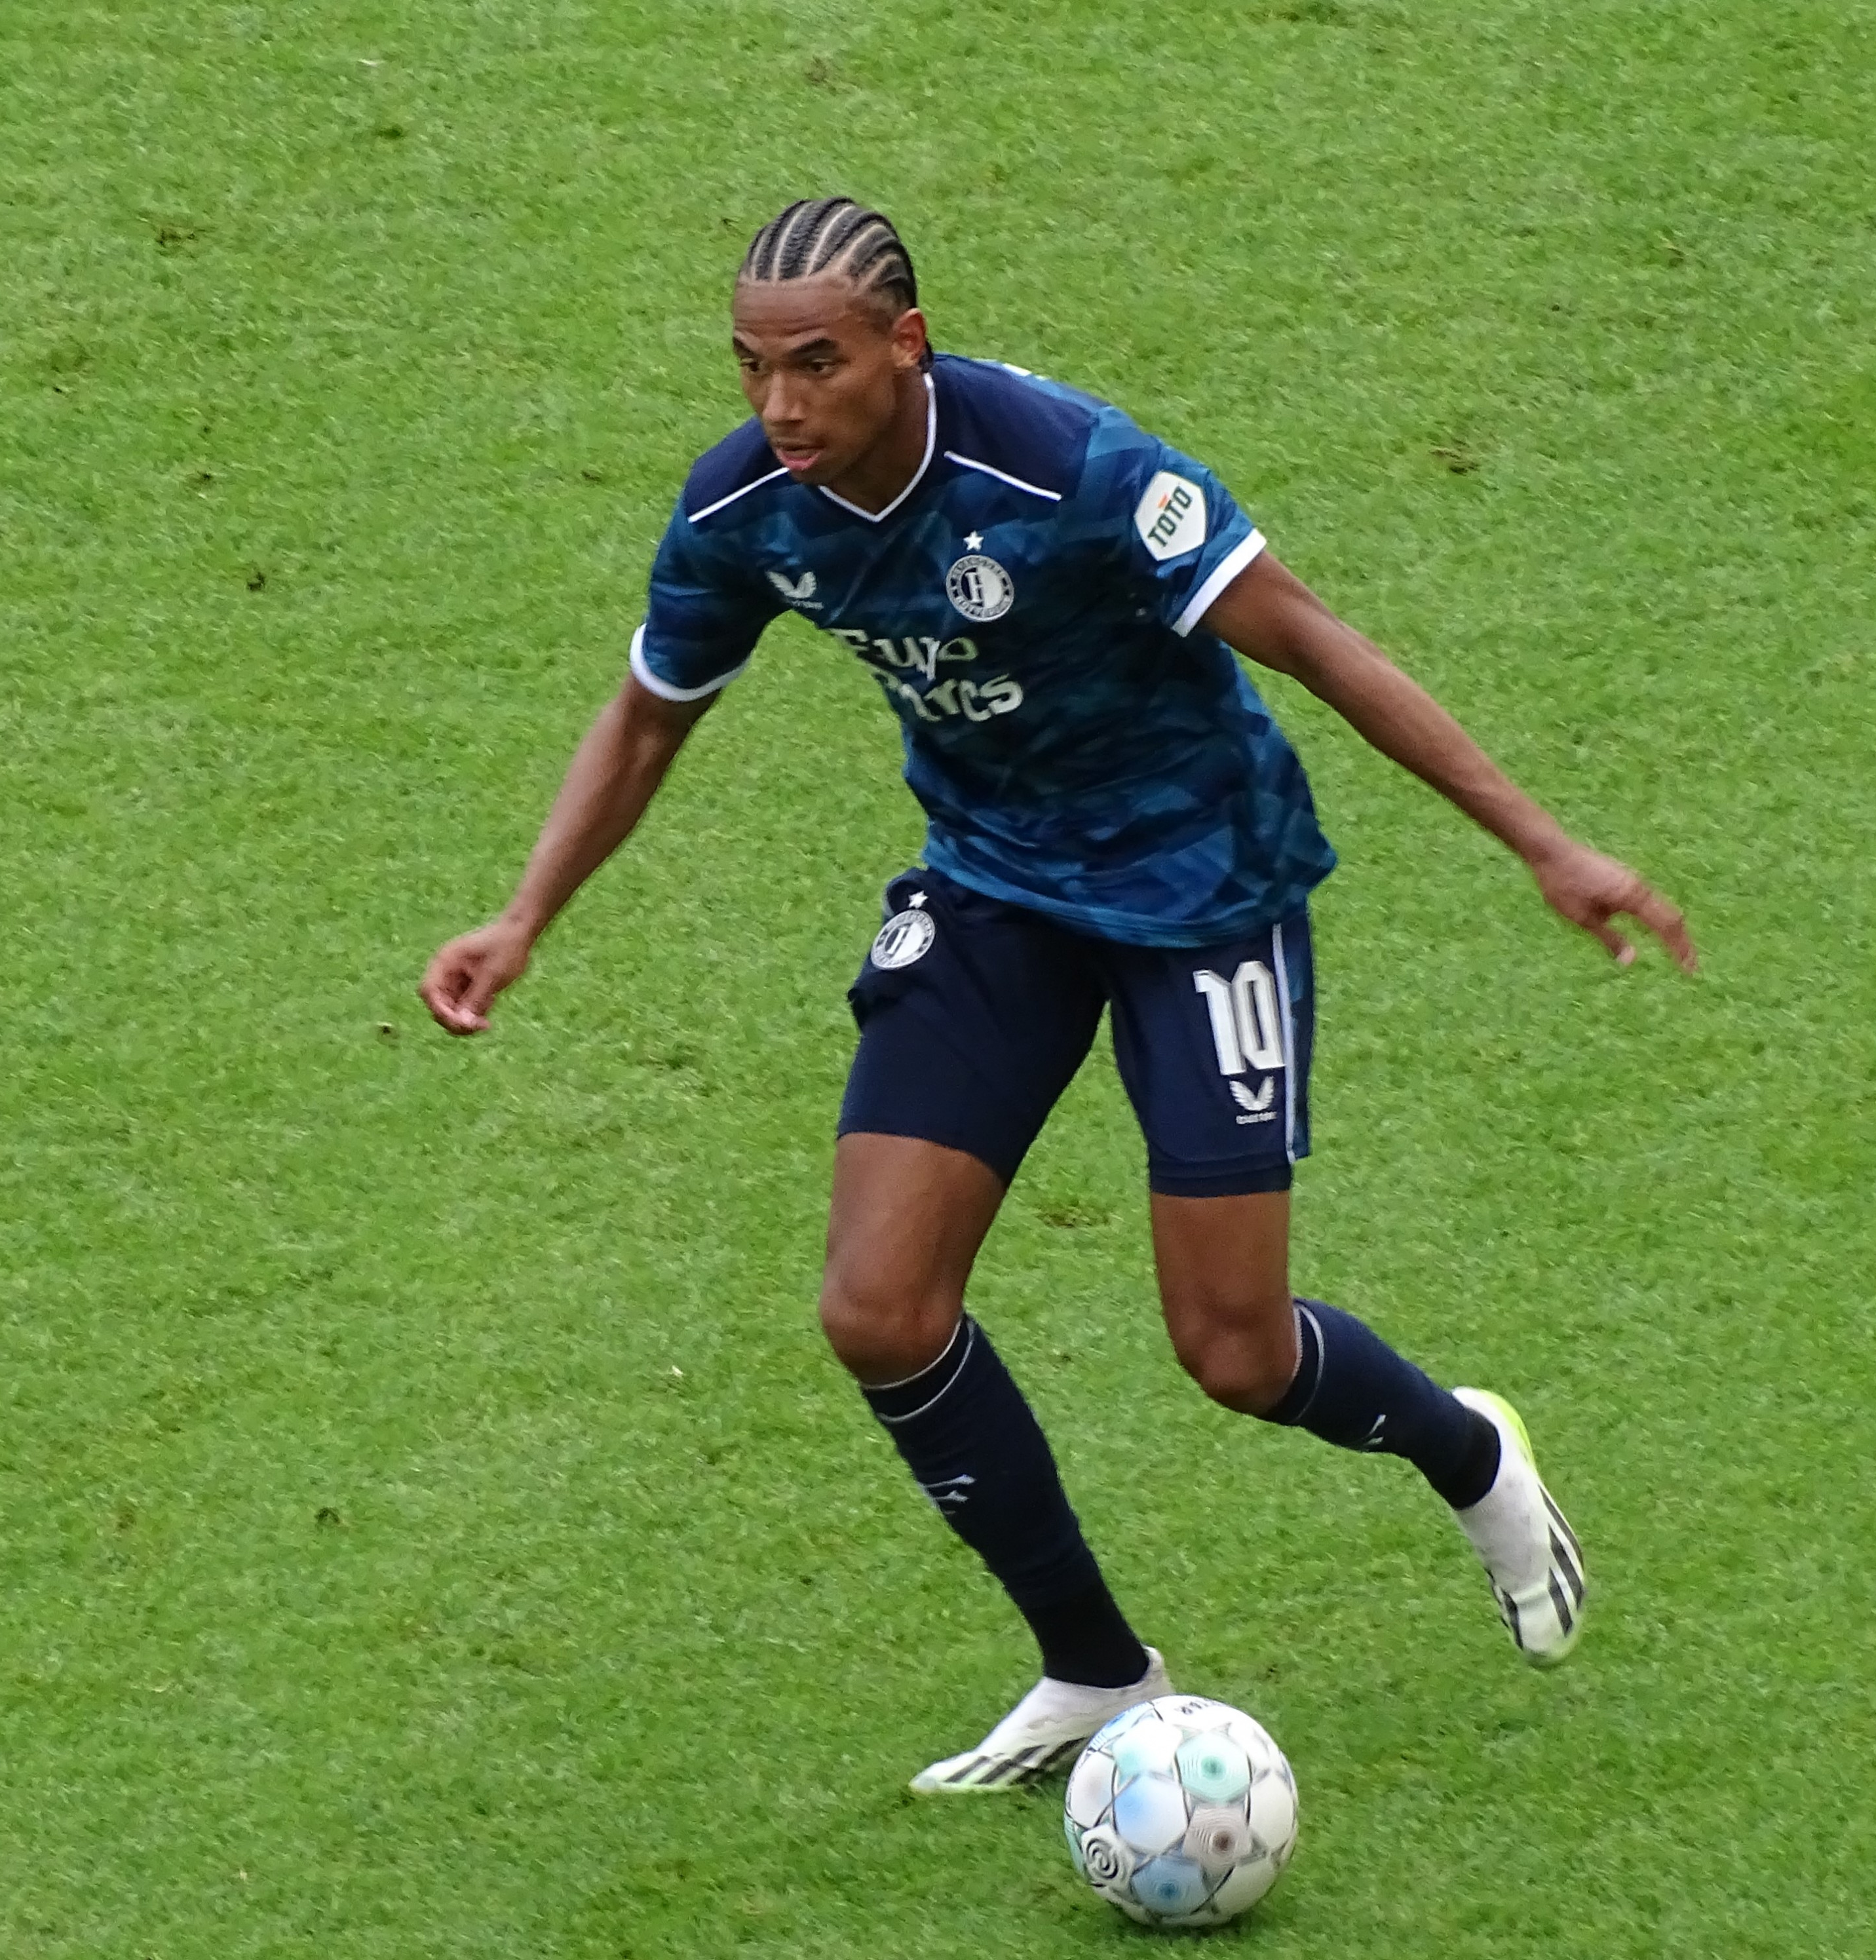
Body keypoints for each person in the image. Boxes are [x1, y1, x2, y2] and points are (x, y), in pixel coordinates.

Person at [421, 197, 1696, 1794]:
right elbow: (654, 710)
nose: (781, 406)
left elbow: (1307, 638)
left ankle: (1472, 1452)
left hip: (1199, 890)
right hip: (996, 888)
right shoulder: (751, 503)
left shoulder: (1074, 471)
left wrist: (1549, 845)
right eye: (752, 368)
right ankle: (1096, 1667)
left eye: (817, 364)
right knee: (876, 1306)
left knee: (1232, 1348)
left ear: (908, 343)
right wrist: (527, 910)